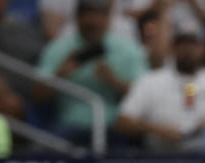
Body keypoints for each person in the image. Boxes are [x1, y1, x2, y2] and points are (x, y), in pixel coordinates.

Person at [36, 0, 148, 143]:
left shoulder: (129, 50)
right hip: (70, 124)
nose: (93, 22)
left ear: (108, 19)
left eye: (99, 16)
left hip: (114, 125)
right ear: (77, 18)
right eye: (87, 16)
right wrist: (60, 75)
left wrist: (115, 82)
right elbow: (37, 96)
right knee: (45, 148)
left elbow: (145, 97)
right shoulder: (58, 49)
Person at [116, 21, 205, 151]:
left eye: (194, 44)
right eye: (182, 44)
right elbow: (122, 122)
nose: (188, 50)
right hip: (160, 155)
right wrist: (156, 129)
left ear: (204, 48)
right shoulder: (150, 80)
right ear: (172, 48)